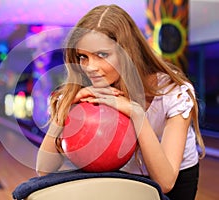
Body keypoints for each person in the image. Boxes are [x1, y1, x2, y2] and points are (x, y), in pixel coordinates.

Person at [36, 4, 205, 200]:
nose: (90, 67)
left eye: (102, 55)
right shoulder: (81, 92)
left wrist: (136, 113)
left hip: (176, 179)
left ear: (127, 53)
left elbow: (165, 182)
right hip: (122, 176)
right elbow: (43, 170)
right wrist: (63, 111)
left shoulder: (172, 92)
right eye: (83, 57)